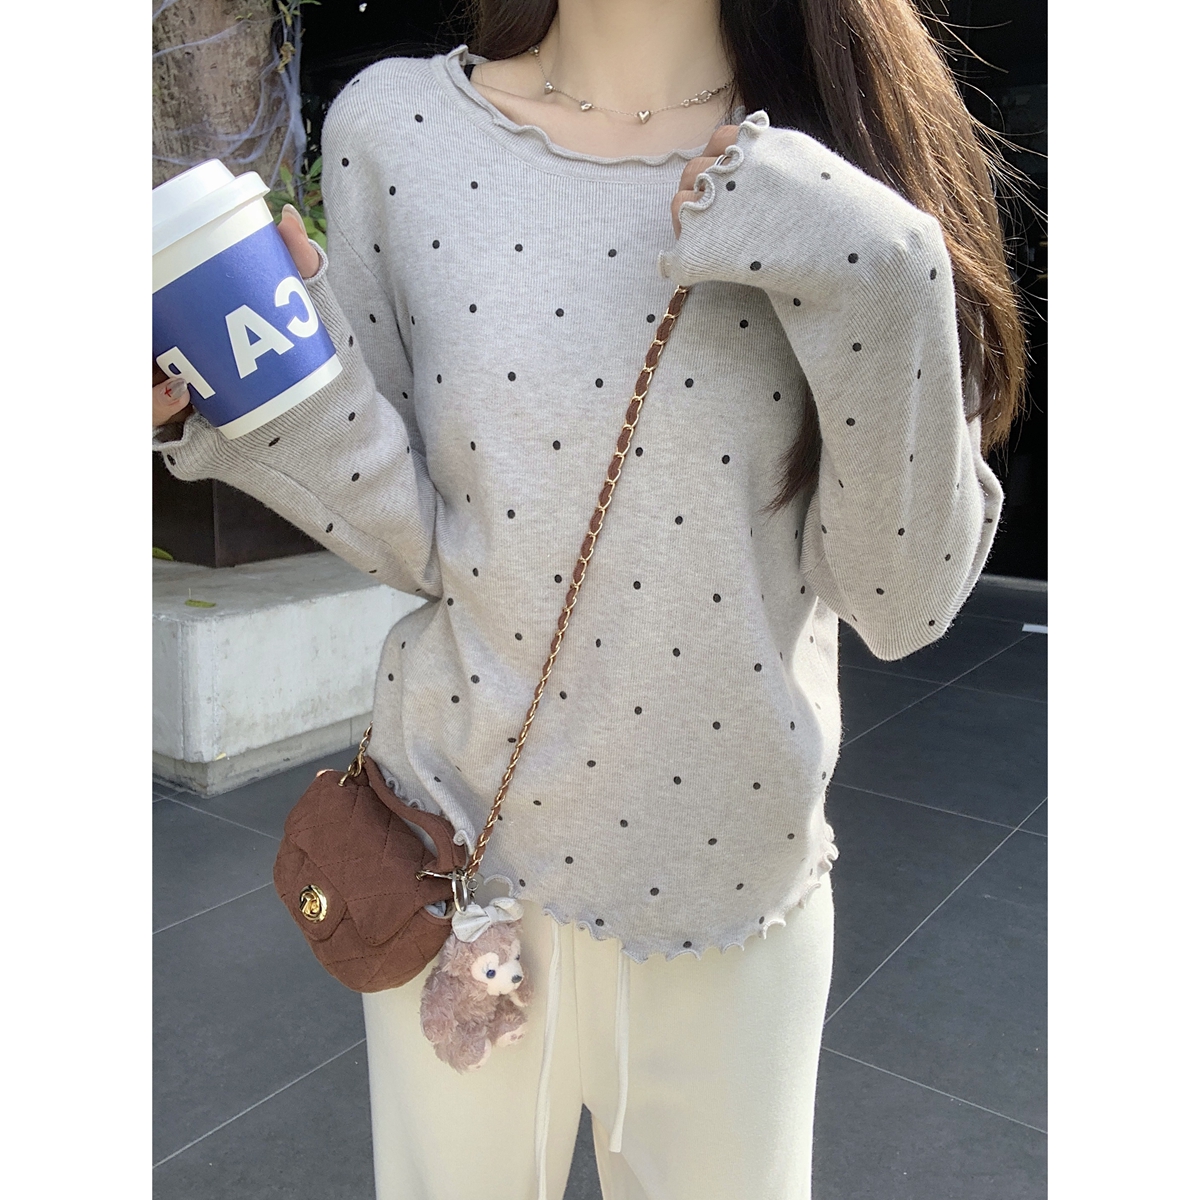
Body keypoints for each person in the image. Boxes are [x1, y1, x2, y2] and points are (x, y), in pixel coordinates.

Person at [153, 1, 1024, 1196]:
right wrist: (237, 396)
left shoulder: (848, 153)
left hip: (732, 887)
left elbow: (901, 599)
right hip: (450, 869)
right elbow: (418, 540)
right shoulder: (394, 131)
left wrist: (886, 273)